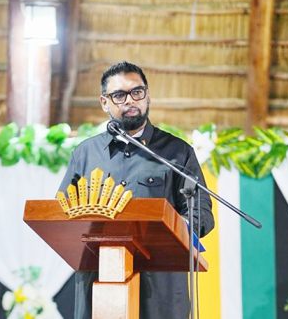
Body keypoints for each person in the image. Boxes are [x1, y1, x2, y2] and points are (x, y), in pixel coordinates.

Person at [58, 61, 214, 319]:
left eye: (137, 92)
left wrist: (175, 228)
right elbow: (63, 214)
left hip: (160, 288)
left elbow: (202, 216)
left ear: (147, 95)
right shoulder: (86, 154)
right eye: (119, 95)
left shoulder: (176, 152)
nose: (130, 100)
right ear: (104, 102)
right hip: (99, 284)